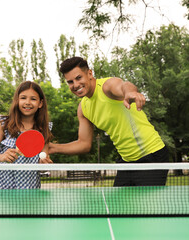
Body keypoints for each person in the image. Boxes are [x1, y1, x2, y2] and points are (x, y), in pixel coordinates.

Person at [49, 57, 169, 186]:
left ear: (90, 73)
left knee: (148, 206)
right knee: (118, 206)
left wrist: (130, 92)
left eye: (79, 78)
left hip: (151, 156)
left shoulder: (107, 87)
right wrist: (53, 147)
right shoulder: (83, 109)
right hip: (126, 162)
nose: (76, 85)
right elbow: (84, 144)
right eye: (70, 82)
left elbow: (124, 85)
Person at [0, 81, 53, 189]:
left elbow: (42, 162)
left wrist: (44, 164)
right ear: (17, 100)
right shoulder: (4, 126)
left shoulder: (43, 130)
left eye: (33, 99)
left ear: (40, 103)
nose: (28, 102)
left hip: (29, 189)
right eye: (23, 98)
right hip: (1, 188)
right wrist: (2, 157)